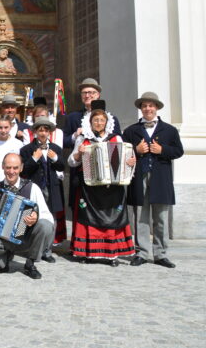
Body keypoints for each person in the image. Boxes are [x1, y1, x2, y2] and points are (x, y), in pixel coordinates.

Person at [67, 101, 136, 265]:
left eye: (101, 120)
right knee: (89, 220)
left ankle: (111, 254)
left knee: (111, 219)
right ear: (90, 122)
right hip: (89, 187)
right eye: (95, 120)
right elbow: (71, 161)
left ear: (107, 122)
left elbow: (127, 158)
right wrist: (78, 155)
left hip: (112, 187)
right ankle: (88, 253)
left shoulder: (116, 138)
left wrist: (131, 162)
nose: (98, 123)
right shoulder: (83, 139)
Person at [122, 92, 183, 268]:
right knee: (141, 216)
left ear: (156, 108)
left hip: (160, 178)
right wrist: (136, 149)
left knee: (161, 217)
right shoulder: (131, 130)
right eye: (144, 106)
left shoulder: (169, 130)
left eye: (151, 105)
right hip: (139, 176)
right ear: (141, 109)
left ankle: (161, 254)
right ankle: (142, 252)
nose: (148, 108)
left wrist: (162, 150)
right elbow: (123, 152)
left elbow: (178, 151)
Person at [0, 153, 54, 279]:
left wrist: (36, 218)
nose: (11, 171)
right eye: (8, 167)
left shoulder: (32, 188)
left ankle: (30, 263)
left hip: (27, 237)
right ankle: (4, 261)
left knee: (45, 225)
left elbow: (48, 217)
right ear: (3, 167)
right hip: (3, 238)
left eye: (15, 168)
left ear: (21, 168)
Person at [19, 117, 66, 262]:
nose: (43, 133)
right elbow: (24, 172)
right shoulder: (26, 149)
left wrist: (56, 159)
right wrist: (34, 159)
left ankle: (47, 250)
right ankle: (30, 249)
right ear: (34, 132)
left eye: (46, 130)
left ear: (49, 133)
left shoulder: (56, 149)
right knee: (31, 217)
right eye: (40, 130)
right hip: (35, 188)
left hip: (52, 189)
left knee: (51, 219)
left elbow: (62, 167)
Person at [62, 78, 121, 151]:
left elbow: (119, 143)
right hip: (81, 160)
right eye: (84, 93)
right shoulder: (72, 117)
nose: (87, 95)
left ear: (98, 95)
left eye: (91, 92)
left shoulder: (111, 119)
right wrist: (75, 135)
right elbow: (63, 142)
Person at [0, 116, 24, 199]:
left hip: (12, 183)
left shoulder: (18, 144)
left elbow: (20, 164)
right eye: (0, 127)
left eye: (6, 127)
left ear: (11, 127)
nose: (3, 130)